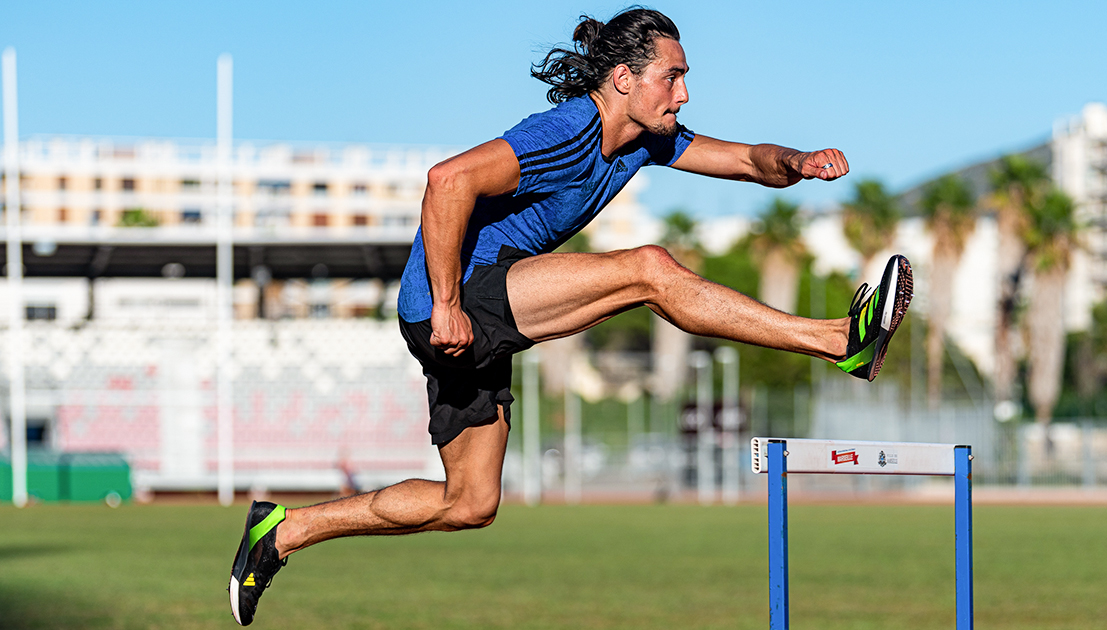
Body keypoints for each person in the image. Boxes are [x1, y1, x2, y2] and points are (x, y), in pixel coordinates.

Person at [227, 8, 912, 625]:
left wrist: (799, 161)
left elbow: (744, 162)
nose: (684, 93)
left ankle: (282, 532)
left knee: (469, 502)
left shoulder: (645, 140)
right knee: (648, 270)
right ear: (623, 78)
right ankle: (839, 341)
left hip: (472, 313)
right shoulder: (568, 130)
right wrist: (444, 306)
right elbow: (447, 181)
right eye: (673, 77)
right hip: (456, 301)